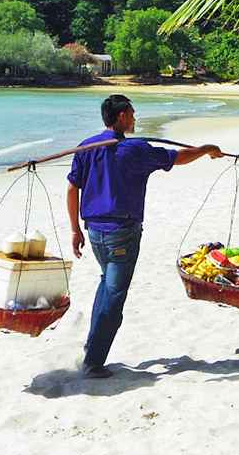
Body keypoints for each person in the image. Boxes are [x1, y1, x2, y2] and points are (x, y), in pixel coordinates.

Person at [66, 94, 224, 379]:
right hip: (121, 235)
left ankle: (92, 346)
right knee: (114, 296)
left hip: (95, 233)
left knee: (106, 285)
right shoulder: (135, 149)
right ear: (123, 116)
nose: (136, 119)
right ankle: (93, 363)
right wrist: (206, 149)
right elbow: (178, 158)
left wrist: (75, 229)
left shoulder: (87, 146)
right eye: (133, 114)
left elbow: (71, 189)